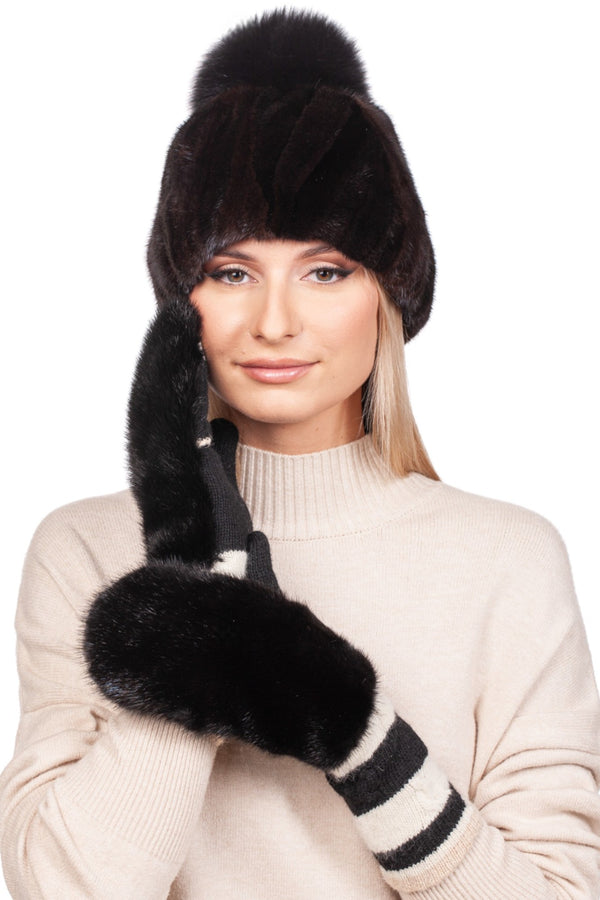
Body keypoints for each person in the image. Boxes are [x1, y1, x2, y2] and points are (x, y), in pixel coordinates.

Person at [1, 9, 599, 899]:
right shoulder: (83, 549)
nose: (274, 321)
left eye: (325, 271)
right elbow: (64, 887)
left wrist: (360, 736)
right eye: (231, 272)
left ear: (388, 294)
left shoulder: (508, 558)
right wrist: (194, 595)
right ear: (181, 302)